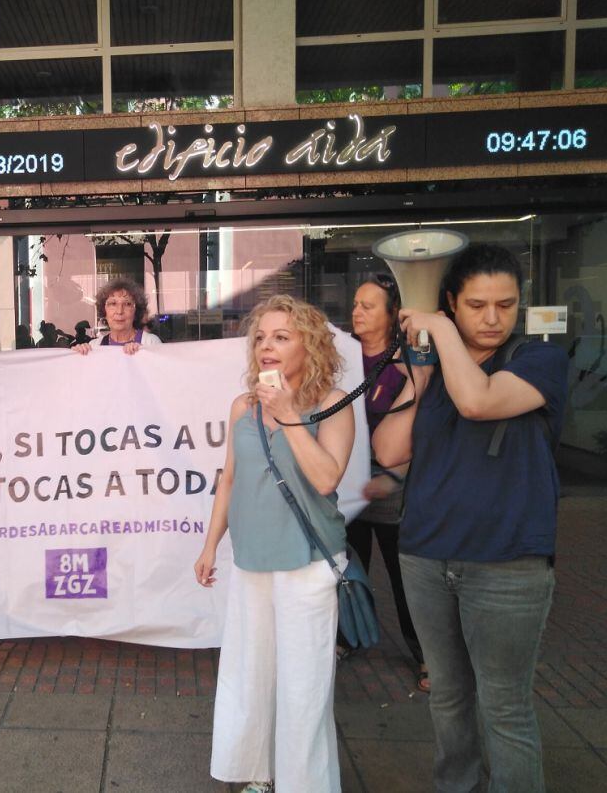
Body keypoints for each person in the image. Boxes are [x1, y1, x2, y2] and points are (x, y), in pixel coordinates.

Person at [373, 244, 568, 792]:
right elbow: (389, 450)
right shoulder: (443, 372)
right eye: (477, 305)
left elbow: (479, 401)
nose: (491, 317)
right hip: (427, 556)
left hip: (508, 564)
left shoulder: (539, 361)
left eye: (505, 305)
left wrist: (440, 331)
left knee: (505, 706)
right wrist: (420, 376)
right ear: (455, 303)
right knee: (450, 697)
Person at [194, 295, 354, 793]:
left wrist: (286, 412)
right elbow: (230, 481)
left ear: (310, 345)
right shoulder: (242, 404)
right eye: (261, 337)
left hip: (307, 564)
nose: (267, 346)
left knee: (303, 687)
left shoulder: (332, 402)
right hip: (252, 561)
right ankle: (256, 776)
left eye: (282, 337)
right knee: (250, 675)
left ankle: (303, 785)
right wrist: (209, 545)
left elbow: (327, 478)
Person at [339, 275, 427, 691]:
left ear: (393, 315)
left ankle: (425, 653)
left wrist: (394, 476)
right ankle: (347, 637)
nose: (357, 312)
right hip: (347, 488)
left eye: (368, 306)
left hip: (392, 489)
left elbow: (420, 432)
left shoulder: (411, 363)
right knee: (349, 569)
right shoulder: (341, 359)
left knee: (403, 576)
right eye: (356, 304)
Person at [73, 277, 162, 356]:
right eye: (113, 304)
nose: (119, 311)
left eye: (127, 304)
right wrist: (79, 356)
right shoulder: (94, 346)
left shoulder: (151, 342)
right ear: (104, 311)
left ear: (136, 311)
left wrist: (143, 354)